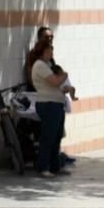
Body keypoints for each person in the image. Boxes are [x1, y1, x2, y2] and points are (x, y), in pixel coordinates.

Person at [28, 37, 69, 178]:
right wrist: (65, 75)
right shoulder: (39, 65)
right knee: (48, 136)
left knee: (57, 136)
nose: (52, 52)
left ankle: (54, 166)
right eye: (50, 49)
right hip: (48, 105)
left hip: (56, 104)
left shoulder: (47, 65)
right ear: (44, 50)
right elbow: (55, 82)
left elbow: (56, 85)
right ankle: (43, 167)